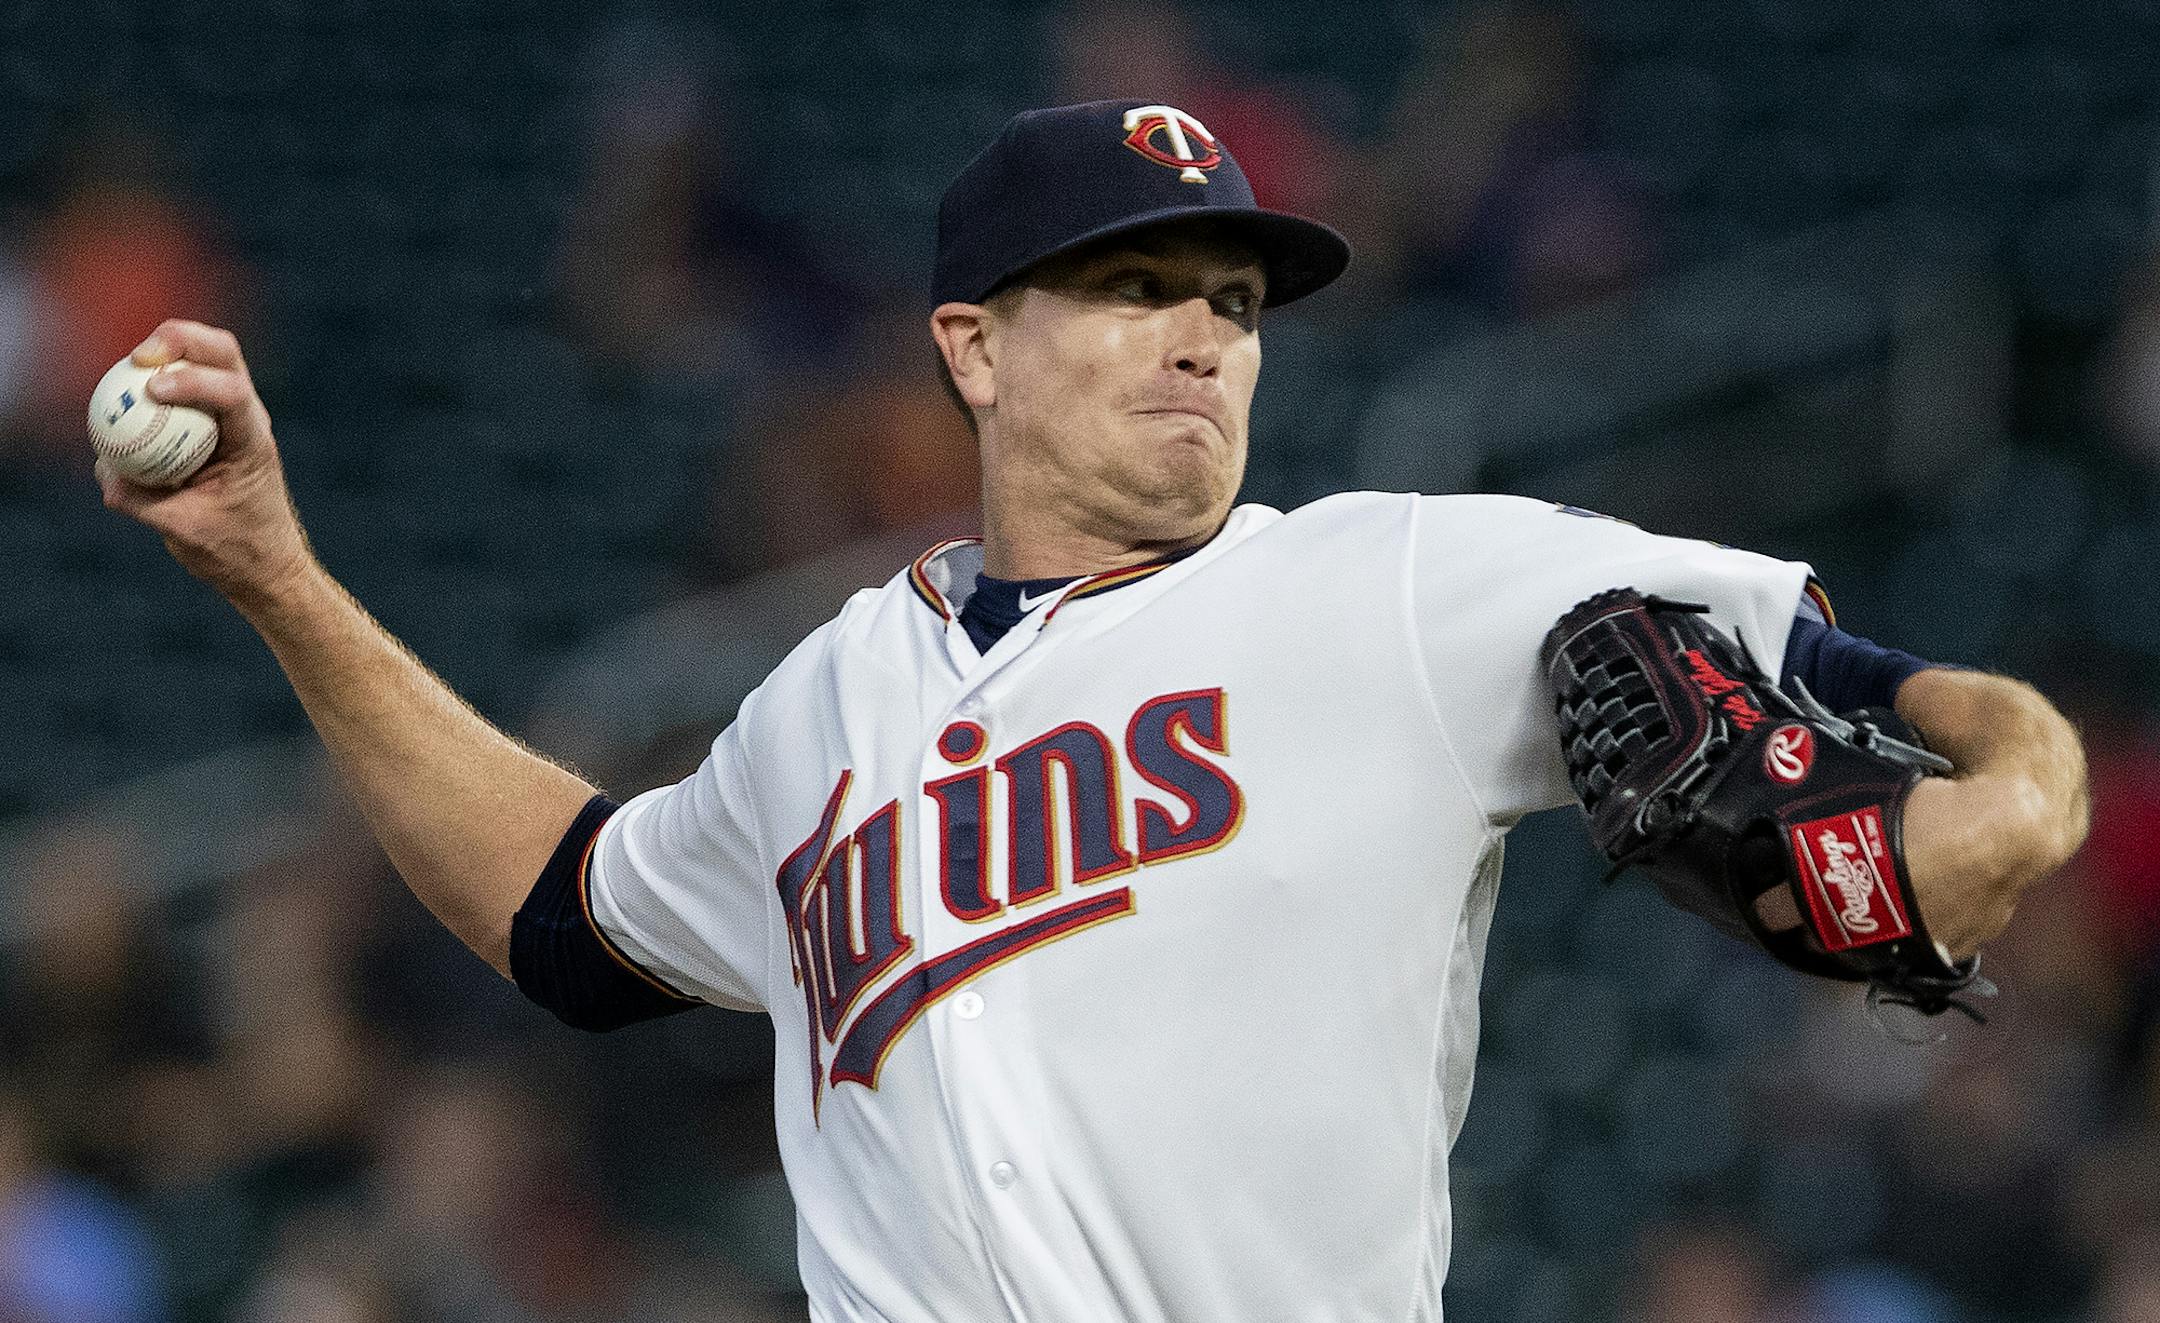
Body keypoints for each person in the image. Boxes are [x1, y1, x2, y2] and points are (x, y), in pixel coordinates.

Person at [98, 101, 2088, 1322]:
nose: (1205, 335)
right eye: (1138, 285)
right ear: (971, 345)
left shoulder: (1392, 579)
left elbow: (1860, 686)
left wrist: (2019, 773)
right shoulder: (818, 709)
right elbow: (562, 906)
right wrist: (276, 570)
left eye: (1231, 297)